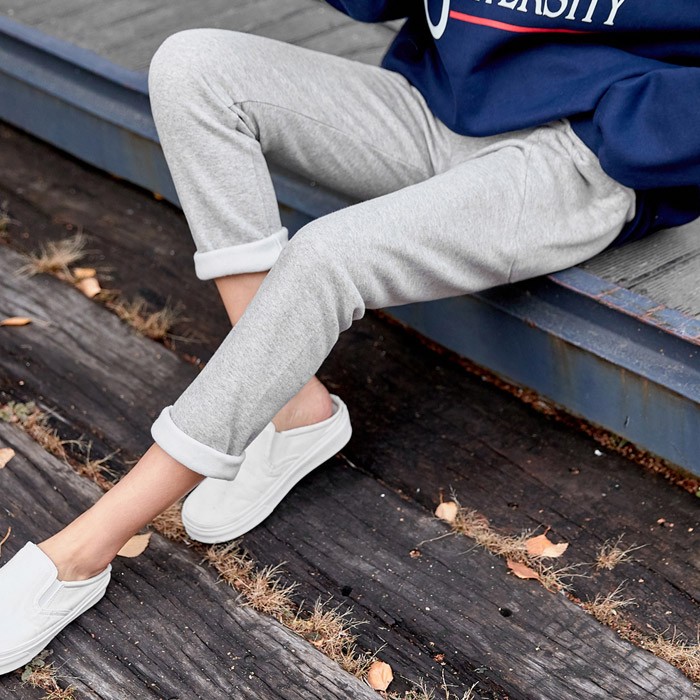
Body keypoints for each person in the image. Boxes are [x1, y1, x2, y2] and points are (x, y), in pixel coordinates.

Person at [1, 0, 699, 676]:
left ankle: (82, 551)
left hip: (579, 152)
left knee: (324, 255)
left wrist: (635, 134)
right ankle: (294, 408)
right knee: (193, 66)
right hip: (442, 106)